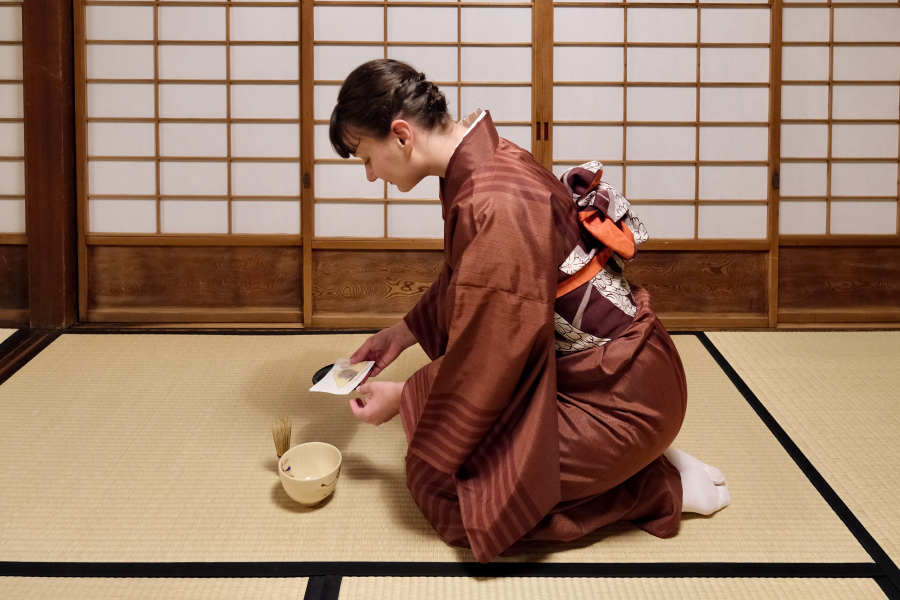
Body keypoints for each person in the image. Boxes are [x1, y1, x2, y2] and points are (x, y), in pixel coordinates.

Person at [329, 59, 730, 563]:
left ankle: (654, 485)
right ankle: (632, 460)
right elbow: (468, 281)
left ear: (402, 135)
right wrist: (403, 333)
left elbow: (492, 350)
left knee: (449, 494)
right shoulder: (490, 162)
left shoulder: (493, 201)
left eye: (366, 157)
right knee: (453, 455)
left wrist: (407, 398)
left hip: (620, 396)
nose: (370, 176)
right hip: (602, 374)